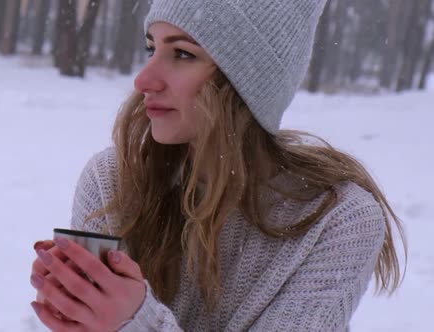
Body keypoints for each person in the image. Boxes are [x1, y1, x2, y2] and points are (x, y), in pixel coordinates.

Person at [29, 0, 406, 331]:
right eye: (151, 48)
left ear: (246, 82)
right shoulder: (113, 179)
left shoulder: (337, 219)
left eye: (182, 54)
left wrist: (134, 323)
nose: (143, 79)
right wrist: (76, 305)